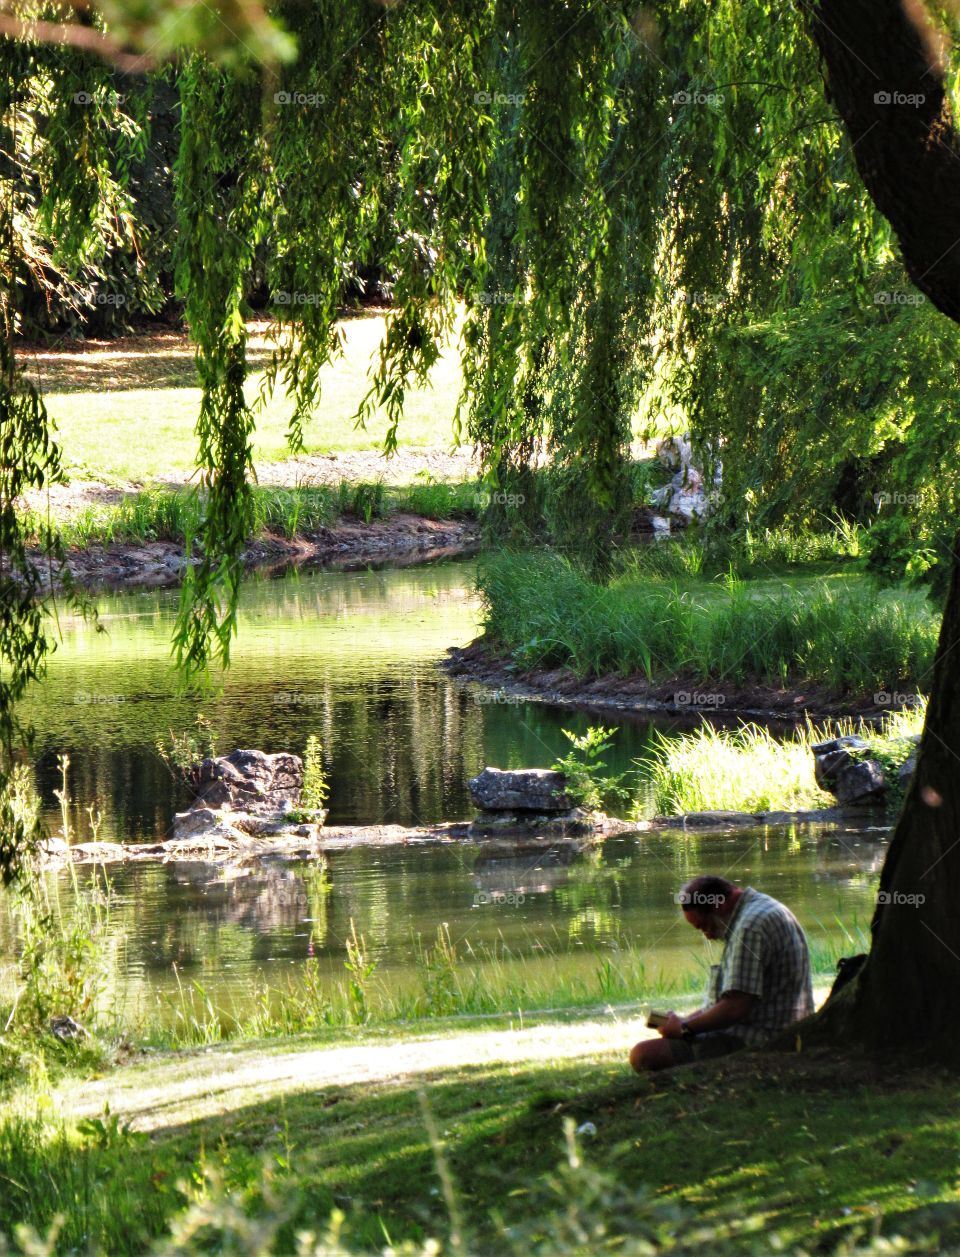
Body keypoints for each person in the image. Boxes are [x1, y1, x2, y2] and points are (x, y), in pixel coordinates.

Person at [629, 875, 814, 1072]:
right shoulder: (757, 909)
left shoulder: (749, 929)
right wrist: (683, 1021)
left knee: (643, 1054)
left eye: (704, 926)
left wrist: (685, 1029)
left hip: (761, 1040)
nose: (707, 935)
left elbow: (735, 1007)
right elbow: (729, 1000)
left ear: (719, 905)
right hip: (768, 1029)